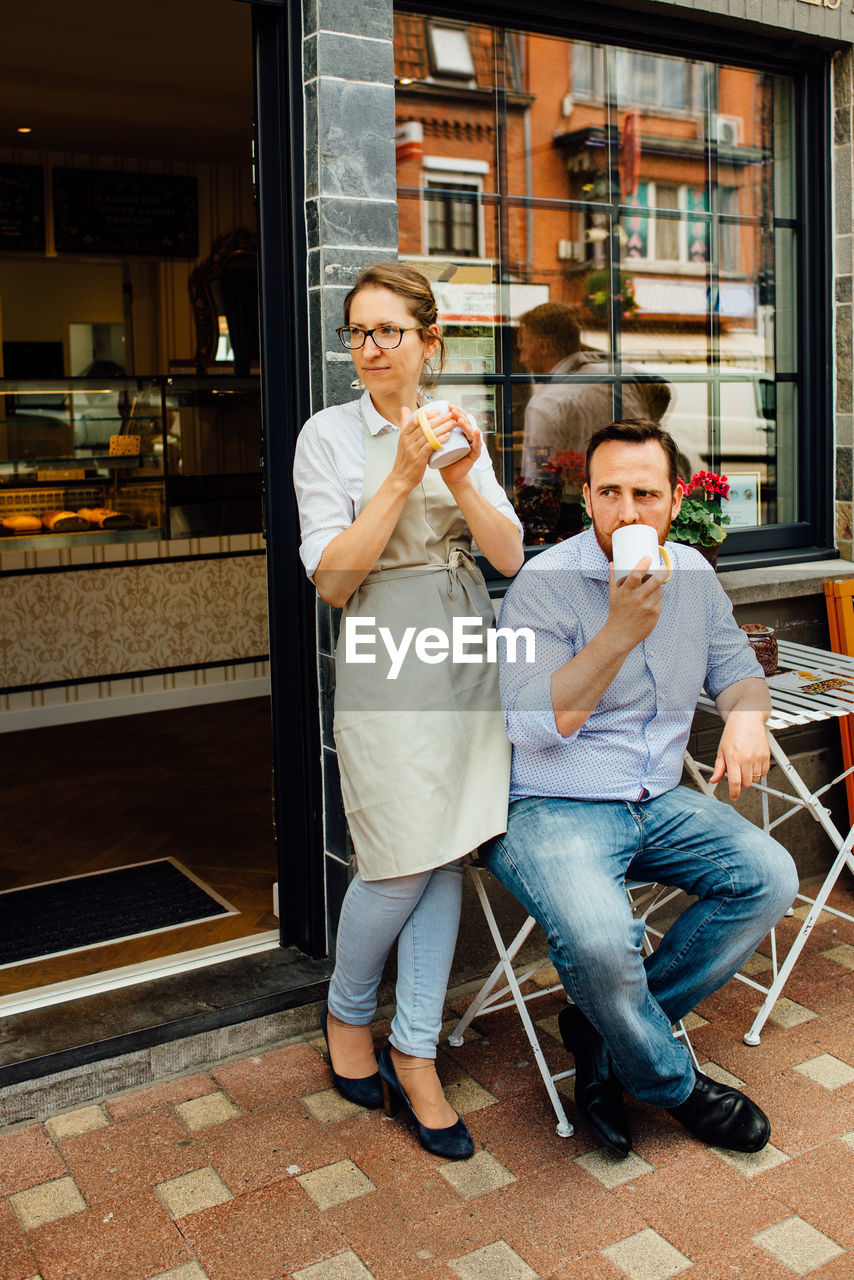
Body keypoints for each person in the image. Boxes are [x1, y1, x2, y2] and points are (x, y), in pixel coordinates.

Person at [482, 418, 798, 1157]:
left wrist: (748, 719)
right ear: (586, 497)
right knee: (598, 940)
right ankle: (673, 1083)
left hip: (656, 798)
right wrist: (620, 629)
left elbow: (737, 671)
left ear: (675, 499)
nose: (629, 513)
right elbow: (533, 726)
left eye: (646, 494)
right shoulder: (543, 586)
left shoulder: (692, 574)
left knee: (768, 876)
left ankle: (600, 1030)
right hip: (551, 804)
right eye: (611, 493)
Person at [293, 262, 524, 1159]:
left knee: (449, 848)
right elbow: (335, 580)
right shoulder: (328, 436)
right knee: (396, 854)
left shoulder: (461, 424)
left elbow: (506, 556)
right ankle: (349, 1011)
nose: (372, 348)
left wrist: (462, 474)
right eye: (358, 332)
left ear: (431, 340)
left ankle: (416, 1050)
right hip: (384, 646)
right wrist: (399, 473)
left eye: (390, 331)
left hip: (462, 646)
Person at [517, 302, 671, 483]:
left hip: (577, 503)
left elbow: (539, 482)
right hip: (641, 487)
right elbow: (664, 392)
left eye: (524, 350)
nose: (522, 359)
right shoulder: (624, 374)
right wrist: (649, 424)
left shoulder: (544, 405)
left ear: (545, 347)